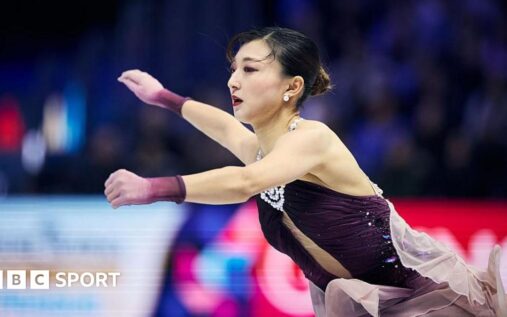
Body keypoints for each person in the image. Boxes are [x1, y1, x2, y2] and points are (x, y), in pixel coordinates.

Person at [104, 27, 506, 316]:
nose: (233, 80)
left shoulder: (313, 139)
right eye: (234, 69)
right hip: (373, 303)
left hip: (424, 298)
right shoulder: (263, 150)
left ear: (291, 87)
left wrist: (153, 187)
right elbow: (225, 127)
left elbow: (246, 182)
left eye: (250, 69)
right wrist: (161, 96)